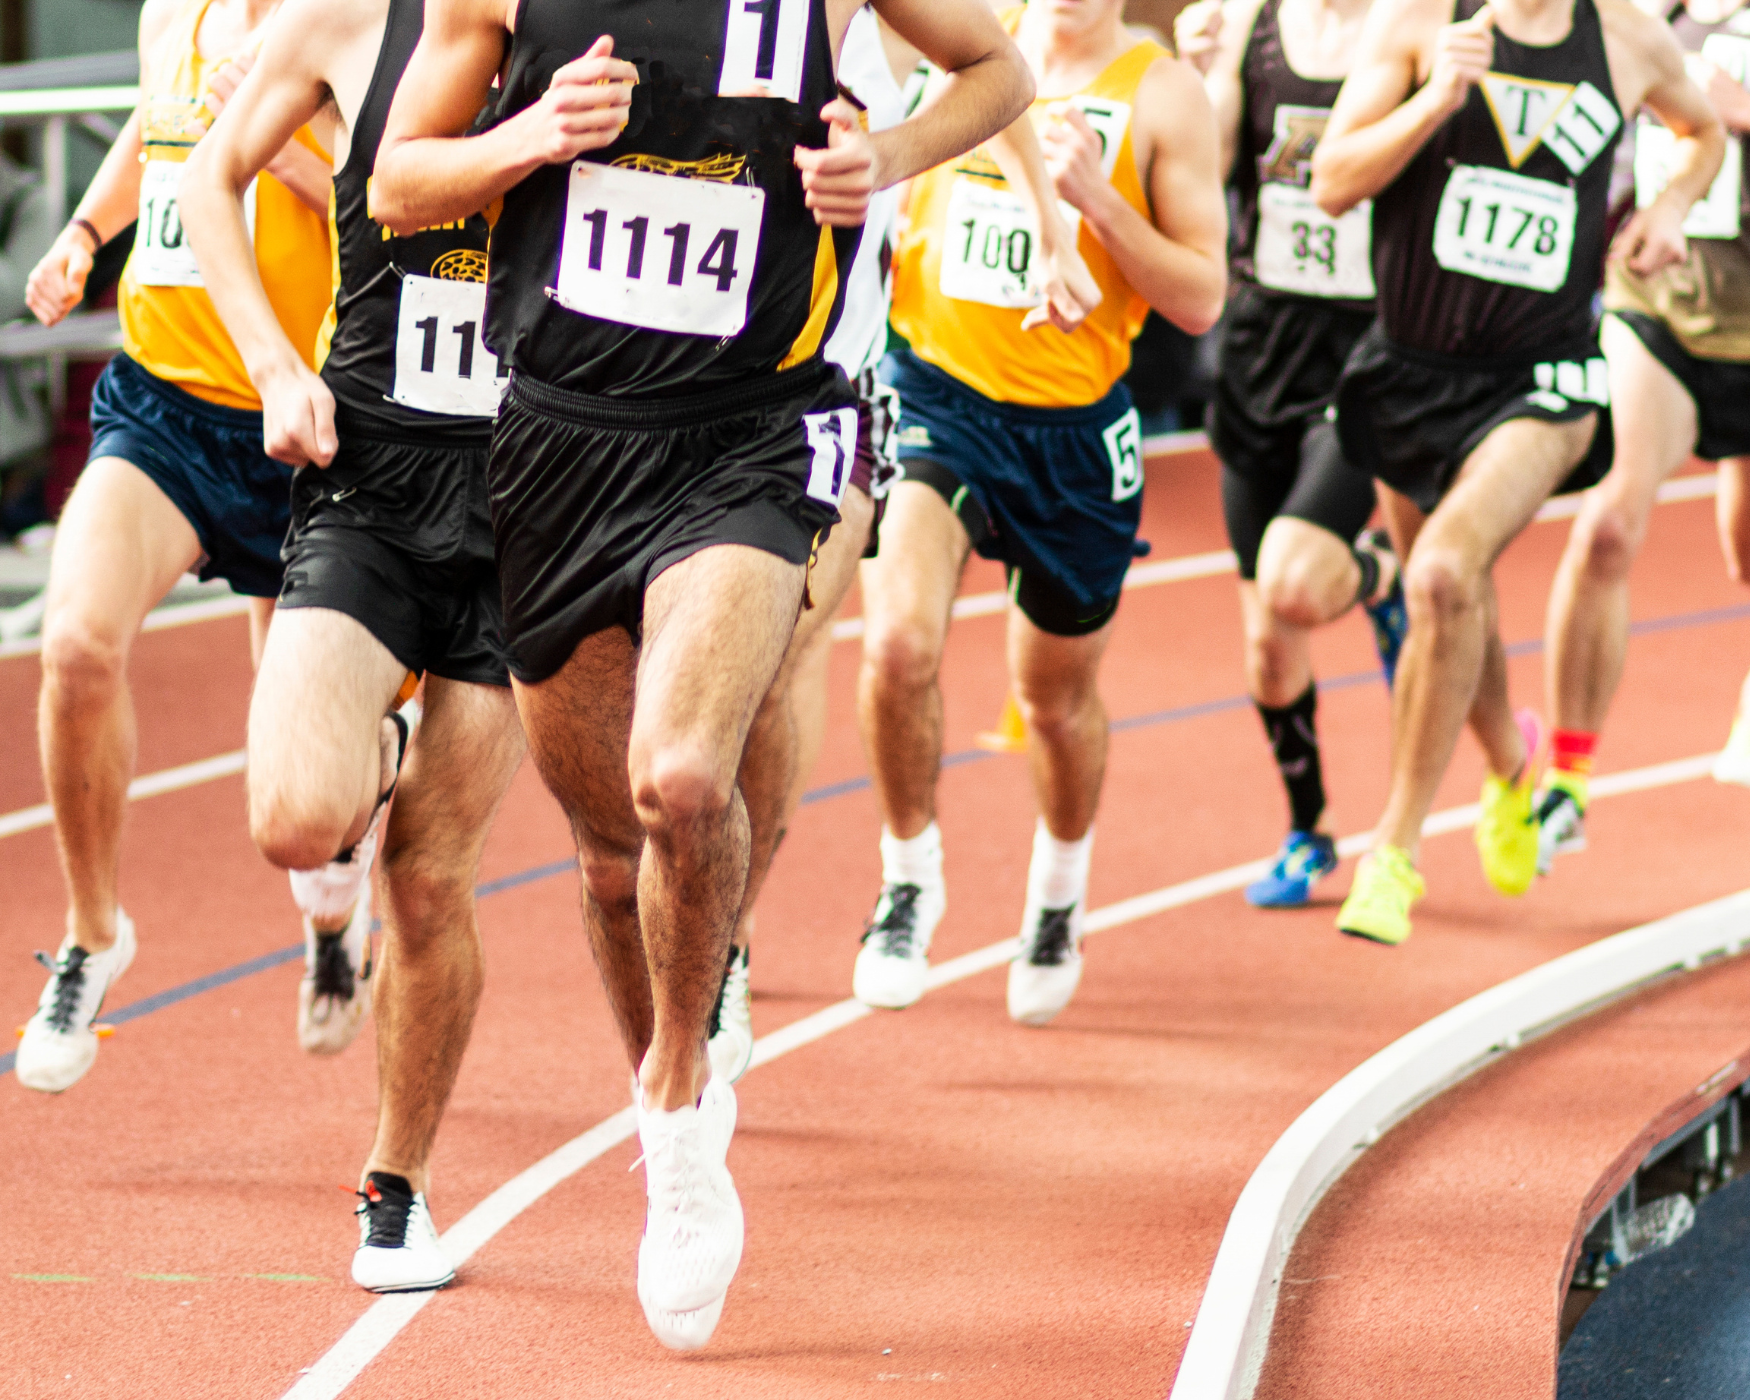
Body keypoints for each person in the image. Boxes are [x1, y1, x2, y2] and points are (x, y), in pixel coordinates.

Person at [369, 0, 1033, 1349]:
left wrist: (890, 155)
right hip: (559, 439)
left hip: (750, 433)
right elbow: (396, 183)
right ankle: (664, 1074)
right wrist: (530, 137)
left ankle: (677, 1118)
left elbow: (998, 66)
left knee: (678, 777)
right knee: (611, 860)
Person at [179, 0, 527, 1292]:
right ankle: (374, 743)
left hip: (525, 504)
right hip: (366, 476)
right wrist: (273, 365)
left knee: (433, 879)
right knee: (292, 821)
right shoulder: (341, 19)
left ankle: (397, 1185)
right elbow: (214, 176)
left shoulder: (598, 29)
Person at [707, 8, 1099, 1081]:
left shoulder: (870, 14)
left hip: (826, 389)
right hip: (646, 392)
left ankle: (728, 936)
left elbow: (997, 80)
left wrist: (1049, 231)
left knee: (785, 647)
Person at [1311, 0, 1722, 944]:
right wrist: (1434, 101)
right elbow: (1330, 182)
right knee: (1454, 609)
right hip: (1410, 371)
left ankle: (1395, 852)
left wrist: (1671, 203)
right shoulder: (1418, 21)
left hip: (1544, 379)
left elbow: (1698, 132)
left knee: (1445, 572)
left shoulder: (1624, 36)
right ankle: (1510, 769)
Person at [854, 0, 1228, 1025]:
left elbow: (1201, 297)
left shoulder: (1160, 94)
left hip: (1071, 433)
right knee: (894, 643)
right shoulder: (961, 40)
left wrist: (1098, 209)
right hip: (935, 394)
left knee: (1054, 700)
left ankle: (1058, 893)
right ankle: (906, 876)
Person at [14, 0, 332, 1093]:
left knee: (302, 789)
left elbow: (396, 199)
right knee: (77, 646)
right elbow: (158, 121)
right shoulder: (175, 9)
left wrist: (267, 141)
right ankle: (94, 931)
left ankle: (333, 912)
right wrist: (86, 235)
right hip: (163, 412)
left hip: (305, 424)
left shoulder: (352, 22)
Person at [1176, 0, 1409, 910]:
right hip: (1262, 347)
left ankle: (1372, 576)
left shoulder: (1410, 31)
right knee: (1269, 645)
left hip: (1365, 352)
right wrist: (1195, 82)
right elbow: (1207, 166)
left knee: (1296, 583)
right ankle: (1309, 828)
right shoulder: (1252, 26)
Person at [1540, 0, 1750, 860]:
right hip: (1654, 305)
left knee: (1746, 546)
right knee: (1609, 523)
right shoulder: (1639, 16)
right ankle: (1565, 780)